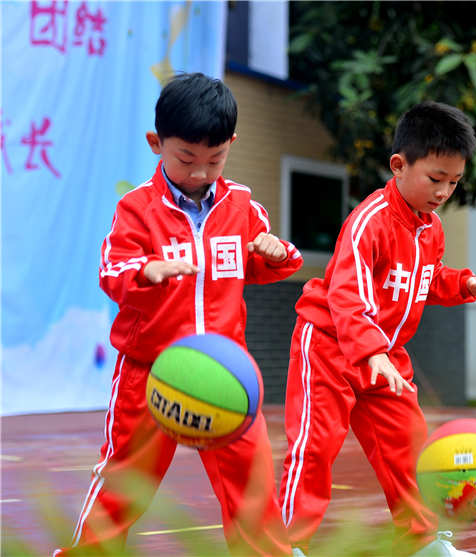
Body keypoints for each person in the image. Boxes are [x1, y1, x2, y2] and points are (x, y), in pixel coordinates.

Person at [57, 73, 301, 556]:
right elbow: (113, 270)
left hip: (223, 371)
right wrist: (149, 271)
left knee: (251, 481)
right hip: (150, 374)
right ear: (156, 143)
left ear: (231, 144)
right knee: (126, 479)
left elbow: (265, 264)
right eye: (186, 158)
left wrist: (276, 253)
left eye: (215, 159)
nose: (200, 172)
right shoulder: (135, 209)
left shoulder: (242, 205)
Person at [278, 101, 476, 557]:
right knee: (314, 446)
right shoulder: (369, 222)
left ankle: (423, 543)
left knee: (408, 447)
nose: (444, 191)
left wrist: (469, 283)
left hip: (385, 357)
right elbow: (347, 293)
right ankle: (283, 546)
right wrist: (370, 352)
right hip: (328, 348)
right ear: (399, 165)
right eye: (435, 179)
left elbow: (428, 279)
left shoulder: (431, 228)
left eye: (454, 181)